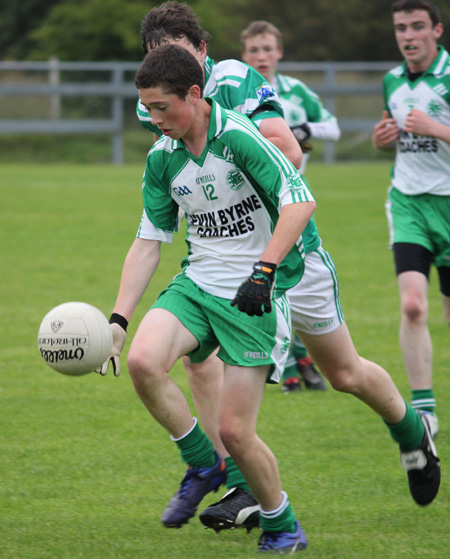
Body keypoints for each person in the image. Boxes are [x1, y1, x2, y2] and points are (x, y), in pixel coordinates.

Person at [100, 1, 441, 537]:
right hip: (220, 265)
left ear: (201, 54)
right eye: (155, 58)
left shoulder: (234, 82)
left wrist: (261, 244)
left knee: (344, 372)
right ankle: (231, 474)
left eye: (177, 54)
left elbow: (289, 160)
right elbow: (176, 188)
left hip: (290, 257)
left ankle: (410, 430)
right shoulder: (158, 107)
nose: (164, 71)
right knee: (193, 361)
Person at [114, 43, 316, 553]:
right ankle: (203, 463)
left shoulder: (240, 138)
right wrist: (118, 317)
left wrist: (264, 271)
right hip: (198, 284)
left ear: (195, 94)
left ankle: (282, 522)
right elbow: (148, 241)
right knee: (141, 359)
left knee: (237, 432)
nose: (155, 119)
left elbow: (300, 201)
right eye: (148, 109)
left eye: (163, 107)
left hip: (253, 296)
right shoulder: (163, 159)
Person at [241, 19, 342, 393]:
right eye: (254, 50)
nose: (262, 56)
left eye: (268, 49)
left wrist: (307, 132)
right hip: (253, 203)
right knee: (271, 274)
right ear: (244, 55)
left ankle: (300, 359)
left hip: (295, 197)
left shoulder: (297, 92)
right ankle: (295, 362)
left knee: (292, 274)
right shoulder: (241, 93)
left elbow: (333, 127)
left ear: (279, 52)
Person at [372, 0, 450, 440]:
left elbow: (431, 131)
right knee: (414, 305)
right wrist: (382, 140)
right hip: (408, 203)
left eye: (418, 26)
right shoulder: (392, 81)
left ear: (437, 31)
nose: (408, 35)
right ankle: (424, 409)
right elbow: (396, 138)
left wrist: (436, 128)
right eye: (402, 27)